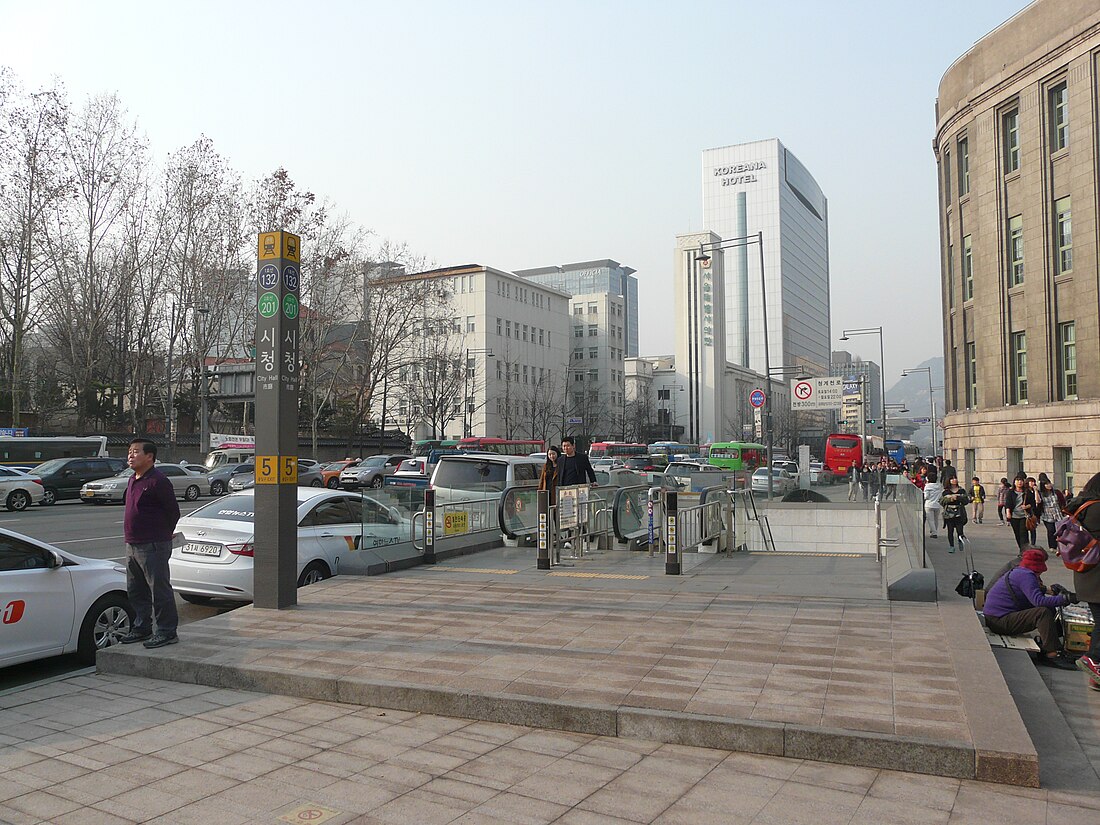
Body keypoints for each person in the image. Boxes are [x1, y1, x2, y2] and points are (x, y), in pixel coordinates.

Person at [120, 438, 182, 649]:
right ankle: (141, 627)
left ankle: (166, 631)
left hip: (153, 545)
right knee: (136, 589)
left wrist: (163, 534)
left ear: (150, 457)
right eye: (129, 451)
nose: (130, 455)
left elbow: (173, 512)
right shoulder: (132, 479)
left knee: (159, 590)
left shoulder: (159, 481)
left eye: (136, 451)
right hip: (132, 543)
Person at [982, 548, 1077, 670]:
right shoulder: (1026, 575)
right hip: (999, 621)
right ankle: (1051, 654)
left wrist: (1055, 594)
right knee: (1042, 613)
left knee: (1047, 609)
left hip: (996, 617)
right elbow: (1039, 601)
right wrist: (1066, 599)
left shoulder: (1019, 571)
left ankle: (1054, 646)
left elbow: (1032, 591)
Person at [1064, 472, 1100, 690]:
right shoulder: (1097, 509)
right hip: (1097, 576)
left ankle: (1095, 676)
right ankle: (1092, 658)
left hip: (1086, 573)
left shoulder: (1084, 506)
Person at [1035, 478, 1067, 552]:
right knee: (1051, 530)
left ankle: (1060, 545)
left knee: (1060, 530)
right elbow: (1038, 501)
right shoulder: (1041, 494)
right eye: (1046, 484)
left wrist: (1064, 510)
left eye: (1049, 483)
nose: (1049, 485)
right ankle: (1052, 546)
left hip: (1057, 513)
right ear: (1043, 486)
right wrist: (1036, 491)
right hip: (1047, 514)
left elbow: (1062, 501)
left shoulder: (1056, 492)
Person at [1005, 474, 1035, 550]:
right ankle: (1021, 549)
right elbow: (1008, 503)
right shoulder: (1010, 492)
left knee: (1023, 534)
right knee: (1017, 534)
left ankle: (1024, 551)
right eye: (1017, 480)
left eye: (1021, 480)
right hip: (1014, 516)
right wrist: (1008, 513)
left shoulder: (1027, 492)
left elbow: (1033, 503)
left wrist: (1027, 506)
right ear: (1014, 482)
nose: (1019, 482)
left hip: (1024, 516)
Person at [940, 476, 971, 553]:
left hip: (959, 513)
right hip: (949, 513)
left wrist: (958, 498)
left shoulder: (961, 490)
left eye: (955, 478)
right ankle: (951, 546)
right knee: (950, 531)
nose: (954, 480)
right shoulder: (946, 491)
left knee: (960, 530)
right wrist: (950, 499)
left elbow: (966, 501)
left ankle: (960, 541)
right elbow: (941, 502)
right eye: (952, 478)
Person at [923, 468, 944, 539]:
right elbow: (941, 495)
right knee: (936, 519)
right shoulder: (939, 486)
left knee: (930, 520)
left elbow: (926, 496)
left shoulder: (927, 486)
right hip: (937, 504)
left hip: (929, 504)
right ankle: (934, 531)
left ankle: (934, 532)